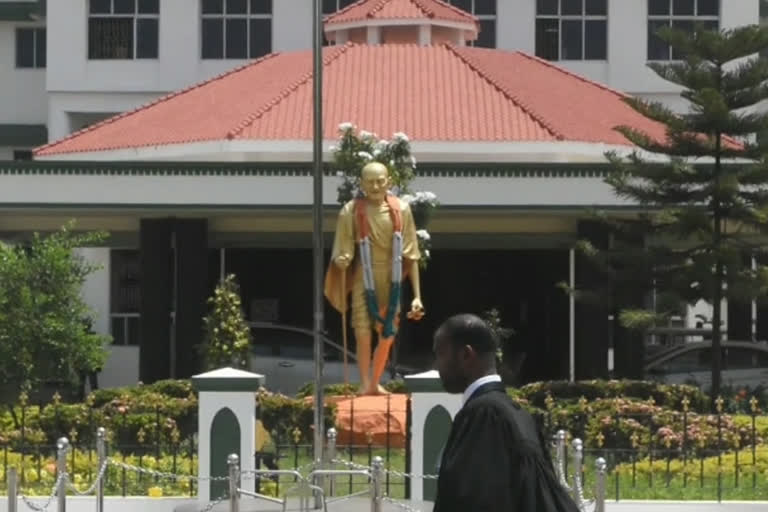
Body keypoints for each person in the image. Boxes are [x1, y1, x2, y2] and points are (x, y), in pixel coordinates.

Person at [432, 314, 580, 512]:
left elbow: (475, 501)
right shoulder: (519, 415)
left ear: (466, 355)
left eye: (441, 354)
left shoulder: (484, 416)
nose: (437, 366)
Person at [324, 161, 425, 395]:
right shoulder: (351, 210)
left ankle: (375, 380)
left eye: (380, 181)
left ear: (389, 182)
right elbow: (344, 246)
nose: (376, 186)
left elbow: (411, 254)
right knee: (362, 332)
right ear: (361, 184)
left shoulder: (401, 209)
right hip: (363, 275)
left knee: (387, 333)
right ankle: (364, 383)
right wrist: (343, 258)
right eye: (370, 181)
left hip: (392, 277)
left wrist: (417, 296)